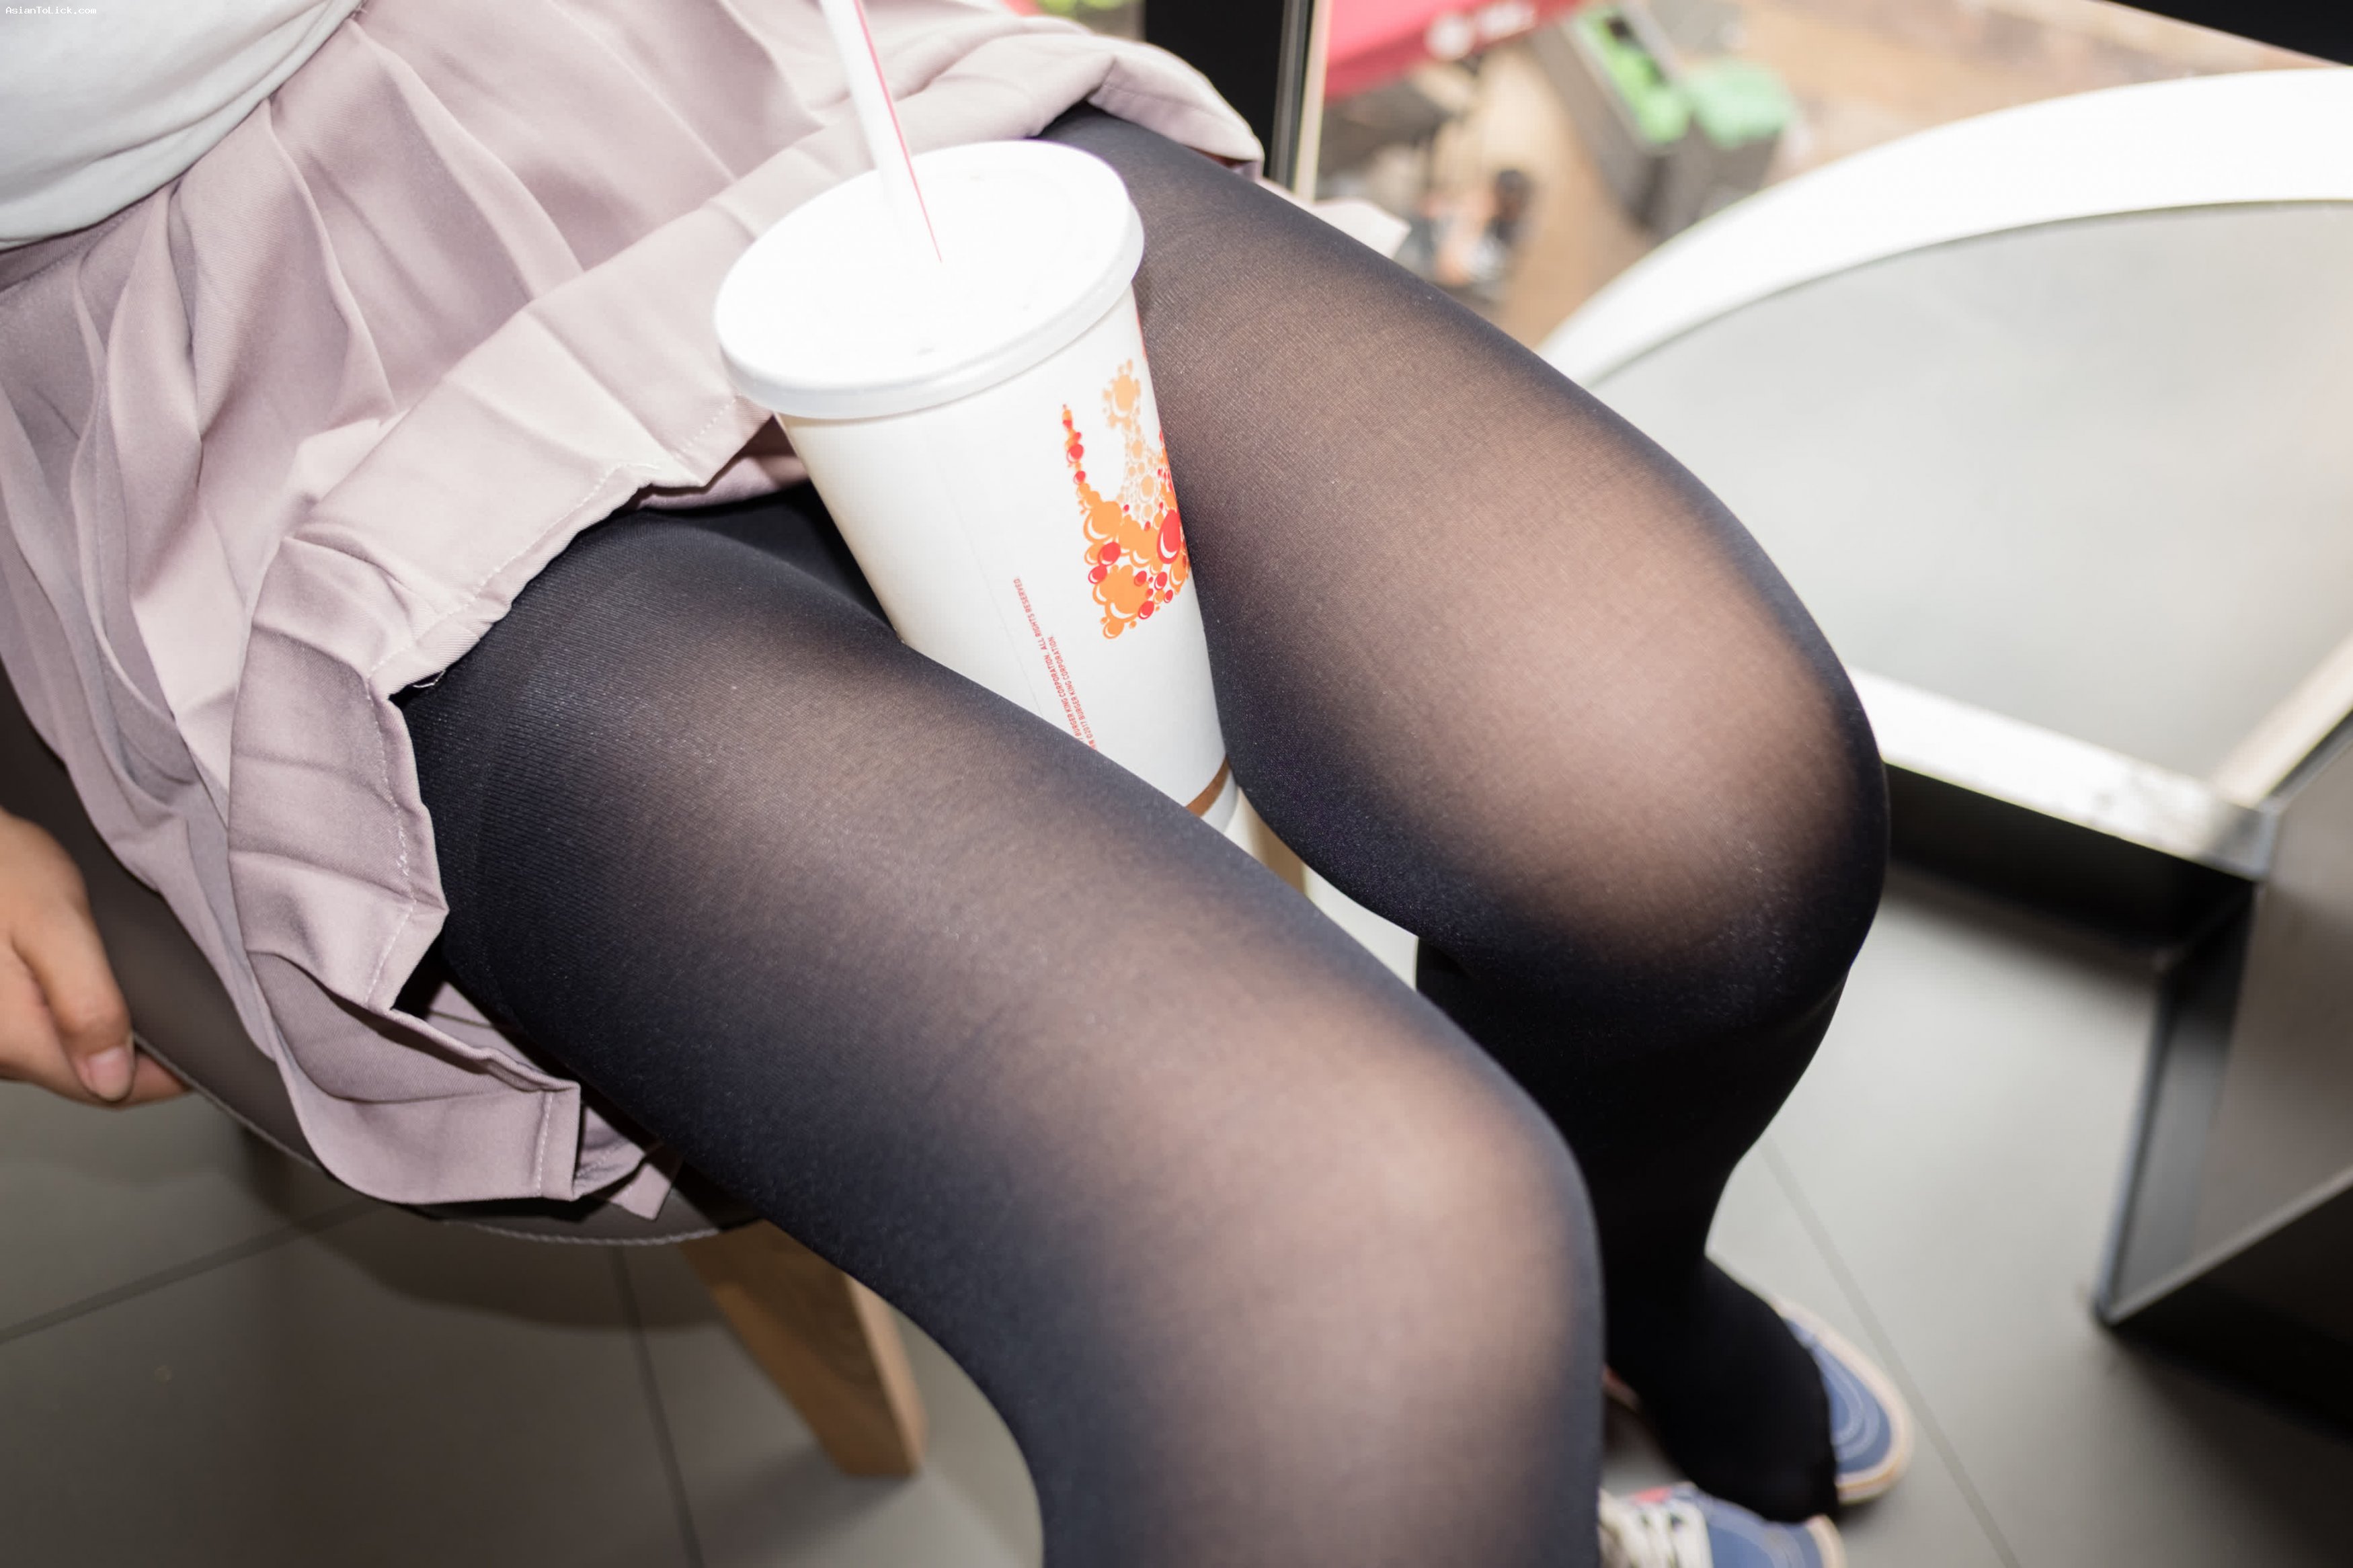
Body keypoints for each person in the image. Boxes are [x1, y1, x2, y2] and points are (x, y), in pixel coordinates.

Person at [1, 3, 1907, 1563]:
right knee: (1356, 1270)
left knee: (1709, 823)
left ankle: (1624, 1300)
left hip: (692, 63)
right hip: (214, 350)